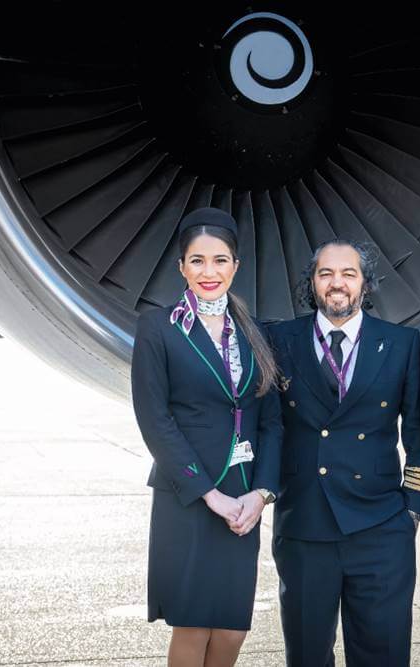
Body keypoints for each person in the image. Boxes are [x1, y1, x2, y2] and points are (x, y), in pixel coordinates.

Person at [267, 239, 420, 667]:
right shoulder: (279, 340)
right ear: (312, 284)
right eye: (326, 274)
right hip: (305, 525)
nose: (336, 283)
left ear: (365, 283)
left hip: (380, 527)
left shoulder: (401, 343)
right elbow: (266, 425)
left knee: (384, 655)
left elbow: (418, 433)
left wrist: (412, 509)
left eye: (348, 274)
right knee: (306, 655)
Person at [130, 207, 282, 667]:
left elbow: (271, 420)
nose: (209, 271)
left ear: (236, 266)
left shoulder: (255, 333)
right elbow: (154, 419)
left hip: (242, 500)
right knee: (193, 628)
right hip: (189, 497)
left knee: (233, 629)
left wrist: (262, 492)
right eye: (197, 261)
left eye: (220, 260)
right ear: (181, 267)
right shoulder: (159, 328)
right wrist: (208, 494)